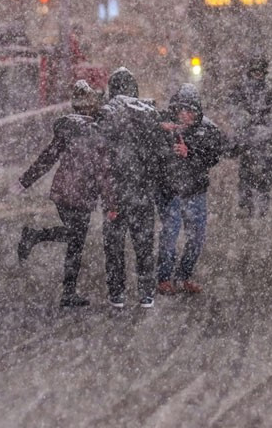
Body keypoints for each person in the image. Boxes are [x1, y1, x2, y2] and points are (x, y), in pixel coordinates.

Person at [17, 81, 116, 308]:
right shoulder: (96, 132)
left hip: (63, 192)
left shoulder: (69, 130)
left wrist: (25, 180)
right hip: (80, 194)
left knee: (74, 237)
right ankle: (67, 290)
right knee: (76, 240)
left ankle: (35, 238)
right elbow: (103, 171)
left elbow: (47, 158)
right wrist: (111, 202)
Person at [97, 67, 167, 309]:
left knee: (114, 247)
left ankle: (117, 294)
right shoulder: (148, 115)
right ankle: (146, 293)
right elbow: (161, 154)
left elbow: (101, 156)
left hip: (114, 195)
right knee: (144, 246)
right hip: (142, 194)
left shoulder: (106, 115)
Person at [156, 84, 226, 295]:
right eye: (181, 110)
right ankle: (164, 278)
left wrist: (191, 153)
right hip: (170, 192)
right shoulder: (163, 128)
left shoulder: (208, 130)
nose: (185, 115)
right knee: (170, 236)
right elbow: (154, 157)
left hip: (195, 191)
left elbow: (213, 157)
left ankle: (184, 276)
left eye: (190, 111)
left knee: (196, 238)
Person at [229, 57, 272, 218]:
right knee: (246, 170)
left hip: (267, 136)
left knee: (267, 171)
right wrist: (243, 119)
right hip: (248, 136)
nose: (257, 75)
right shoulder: (242, 88)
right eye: (254, 71)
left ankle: (263, 203)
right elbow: (233, 107)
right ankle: (245, 203)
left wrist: (271, 122)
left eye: (260, 71)